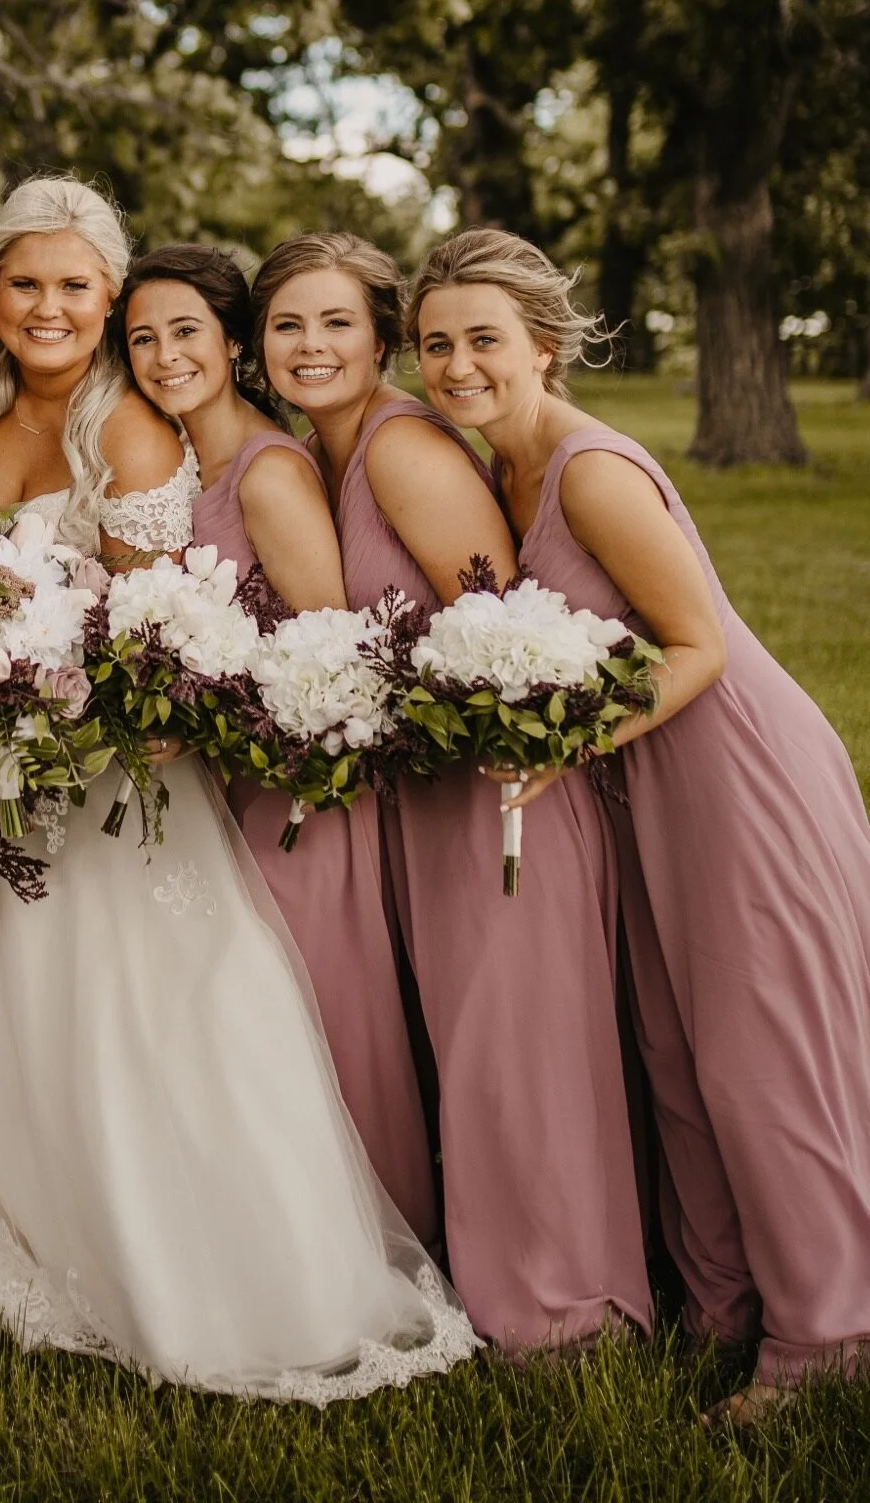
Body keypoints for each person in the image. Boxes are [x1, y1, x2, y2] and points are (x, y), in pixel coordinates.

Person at [0, 178, 478, 1403]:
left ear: (106, 299)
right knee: (9, 1000)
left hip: (108, 765)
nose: (47, 307)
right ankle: (23, 1232)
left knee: (138, 1009)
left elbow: (143, 623)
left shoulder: (128, 422)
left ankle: (204, 1265)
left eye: (76, 288)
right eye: (23, 284)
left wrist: (43, 678)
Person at [411, 227, 870, 1416]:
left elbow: (699, 646)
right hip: (641, 777)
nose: (456, 364)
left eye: (482, 339)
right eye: (434, 344)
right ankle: (721, 1301)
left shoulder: (588, 472)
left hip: (729, 772)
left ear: (546, 346)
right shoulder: (500, 470)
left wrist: (559, 744)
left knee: (757, 1053)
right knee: (674, 1047)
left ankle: (834, 1330)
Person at [250, 232, 649, 1352]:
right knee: (472, 1049)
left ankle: (572, 1311)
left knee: (517, 1046)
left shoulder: (403, 450)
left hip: (497, 792)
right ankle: (500, 1282)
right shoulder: (319, 451)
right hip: (427, 798)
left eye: (337, 322)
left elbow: (503, 630)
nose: (312, 344)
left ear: (380, 336)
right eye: (287, 324)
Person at [119, 243, 436, 1245]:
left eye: (184, 331)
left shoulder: (265, 468)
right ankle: (276, 1233)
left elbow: (327, 650)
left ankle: (377, 1232)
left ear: (227, 341)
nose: (164, 355)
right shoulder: (182, 461)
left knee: (326, 1008)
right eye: (141, 338)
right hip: (235, 781)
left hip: (302, 785)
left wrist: (204, 707)